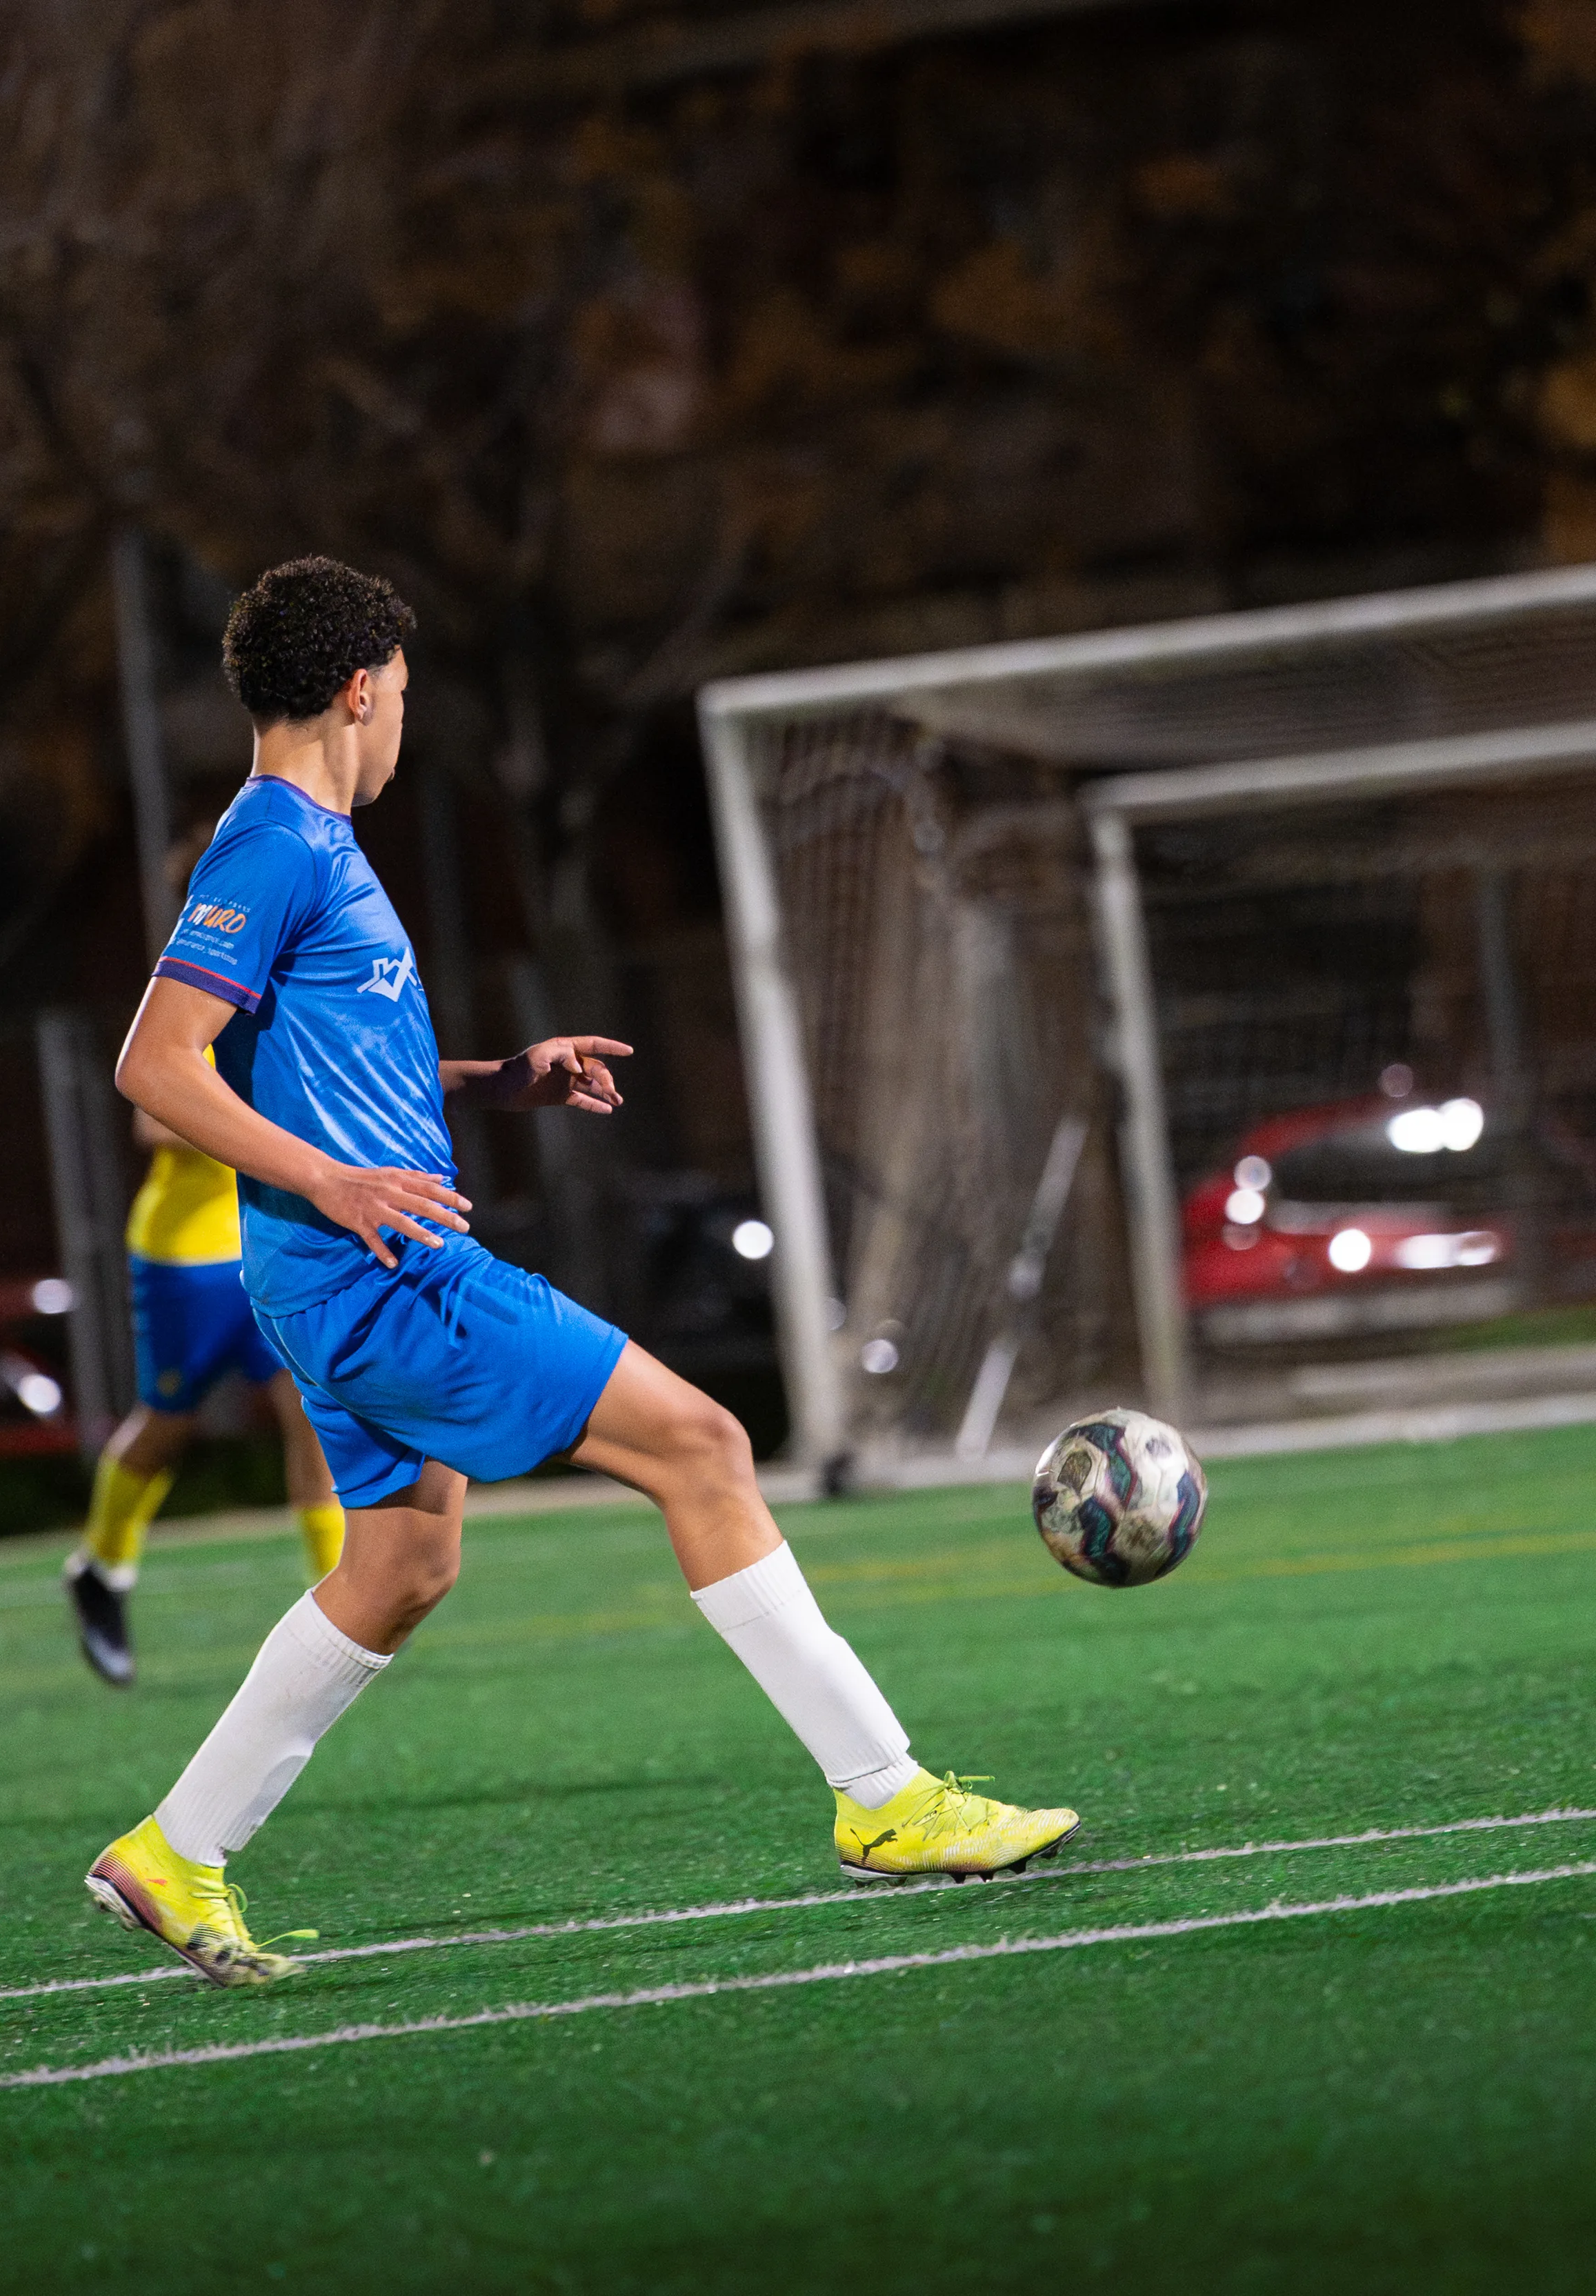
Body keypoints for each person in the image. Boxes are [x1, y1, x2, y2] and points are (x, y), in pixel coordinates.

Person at [83, 557, 1078, 1987]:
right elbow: (155, 1064)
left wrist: (495, 1080)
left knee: (404, 1561)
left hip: (339, 1266)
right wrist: (336, 1179)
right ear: (362, 690)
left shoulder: (300, 840)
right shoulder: (278, 844)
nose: (404, 720)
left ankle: (176, 1850)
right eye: (406, 696)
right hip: (381, 1270)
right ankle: (888, 1798)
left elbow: (313, 1057)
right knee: (705, 1441)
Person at [64, 835, 346, 1688]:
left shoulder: (281, 984)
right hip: (186, 1259)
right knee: (168, 1425)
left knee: (307, 1412)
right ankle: (100, 1568)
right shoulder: (196, 982)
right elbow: (154, 1116)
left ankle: (336, 1603)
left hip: (263, 1240)